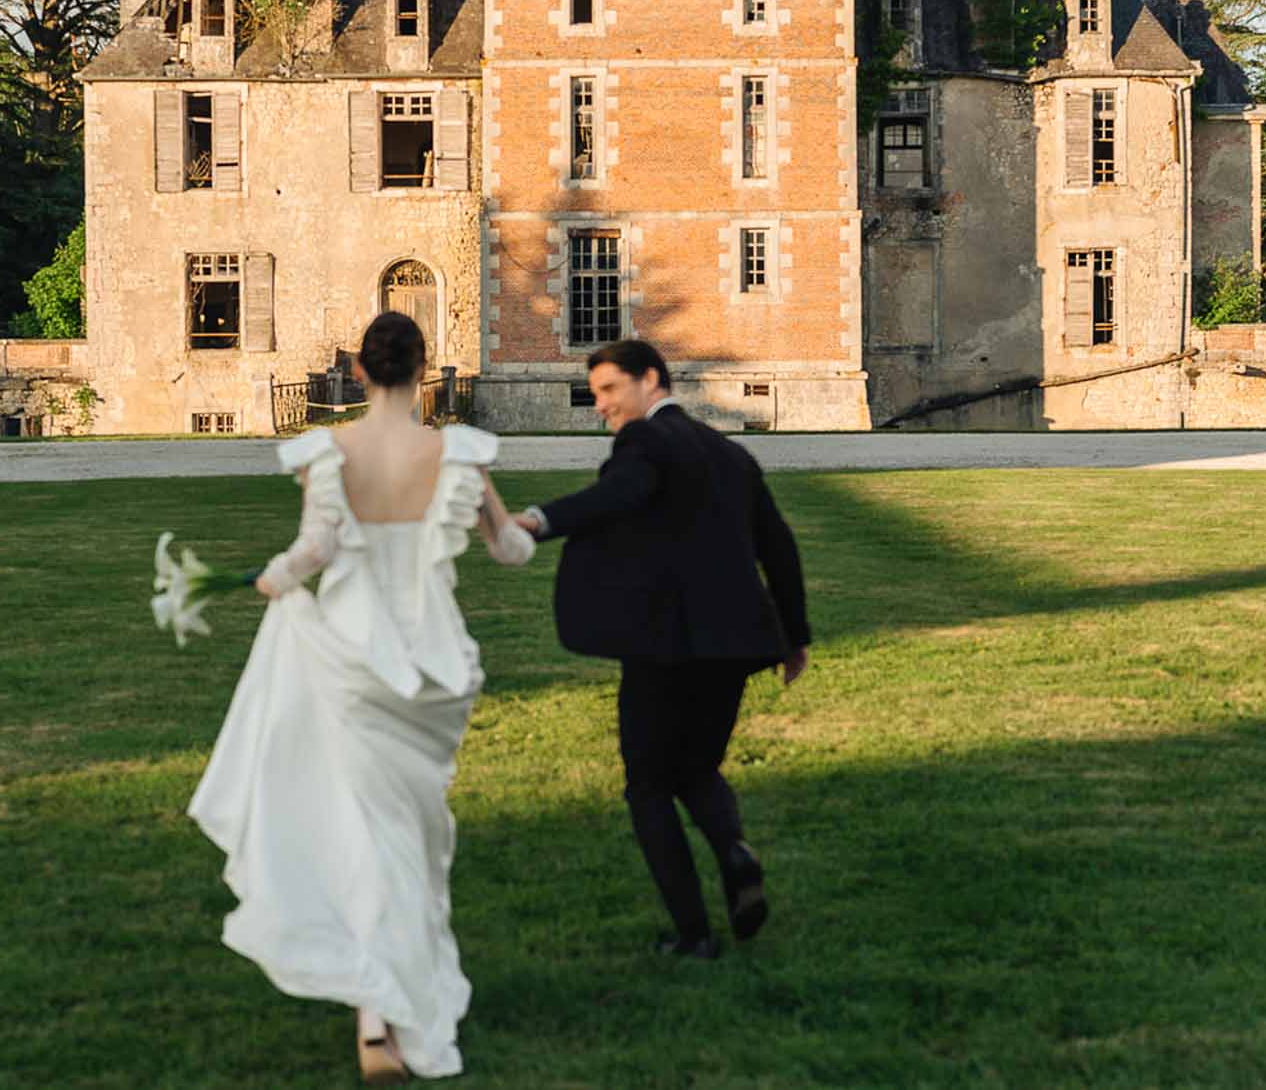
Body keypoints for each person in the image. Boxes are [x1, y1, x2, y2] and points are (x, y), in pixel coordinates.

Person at [187, 313, 535, 1084]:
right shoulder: (458, 453)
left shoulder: (329, 451)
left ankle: (375, 1013)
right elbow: (508, 549)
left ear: (362, 369)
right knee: (417, 833)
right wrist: (538, 527)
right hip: (436, 669)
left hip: (352, 655)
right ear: (423, 368)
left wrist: (273, 578)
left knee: (372, 834)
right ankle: (385, 1003)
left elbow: (316, 548)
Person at [515, 340, 809, 959]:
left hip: (665, 646)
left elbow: (615, 496)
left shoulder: (645, 444)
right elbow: (776, 545)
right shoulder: (730, 453)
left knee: (647, 784)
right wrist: (795, 637)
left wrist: (541, 519)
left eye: (610, 391)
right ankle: (734, 852)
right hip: (734, 645)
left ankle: (694, 934)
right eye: (596, 395)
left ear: (651, 380)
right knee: (697, 769)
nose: (602, 407)